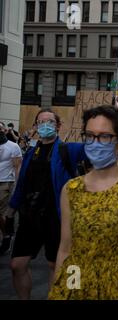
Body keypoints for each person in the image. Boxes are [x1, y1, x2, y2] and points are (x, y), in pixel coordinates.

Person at [48, 106, 118, 300]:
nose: (95, 143)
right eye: (89, 135)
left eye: (104, 136)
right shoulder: (71, 189)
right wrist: (58, 291)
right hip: (74, 281)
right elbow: (65, 248)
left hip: (115, 287)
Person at [8, 109, 86, 299]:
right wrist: (10, 211)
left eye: (50, 121)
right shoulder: (30, 153)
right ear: (35, 126)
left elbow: (95, 147)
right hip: (30, 216)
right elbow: (22, 184)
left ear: (58, 126)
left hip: (56, 216)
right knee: (17, 265)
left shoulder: (68, 149)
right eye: (40, 122)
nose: (45, 125)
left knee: (55, 264)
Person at [0, 122, 22, 254]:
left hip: (5, 182)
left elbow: (18, 166)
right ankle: (7, 233)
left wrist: (17, 184)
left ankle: (7, 235)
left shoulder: (13, 146)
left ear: (4, 130)